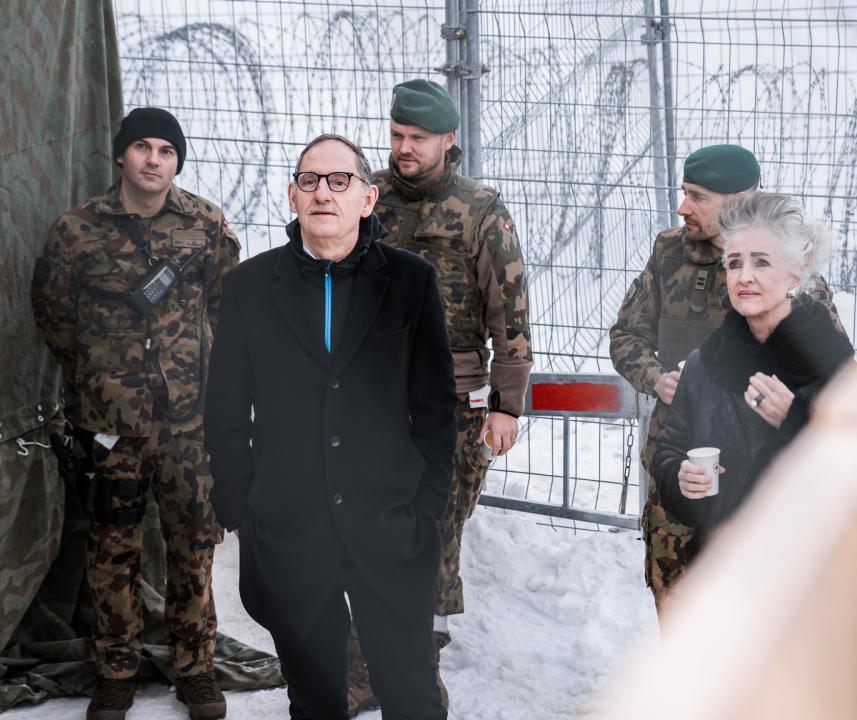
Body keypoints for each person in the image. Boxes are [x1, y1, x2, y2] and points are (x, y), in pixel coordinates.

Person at [203, 134, 457, 720]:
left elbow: (436, 408)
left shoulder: (411, 282)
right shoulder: (248, 287)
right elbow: (225, 409)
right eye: (310, 180)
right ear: (292, 196)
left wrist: (426, 509)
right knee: (315, 700)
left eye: (339, 181)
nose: (323, 192)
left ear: (367, 199)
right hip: (289, 533)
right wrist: (242, 510)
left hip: (391, 528)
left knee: (412, 696)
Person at [31, 107, 239, 720]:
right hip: (109, 424)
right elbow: (52, 313)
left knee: (192, 543)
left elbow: (227, 306)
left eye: (167, 151)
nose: (154, 160)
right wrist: (99, 373)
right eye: (143, 147)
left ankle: (195, 669)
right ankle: (116, 672)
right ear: (121, 155)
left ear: (177, 162)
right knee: (111, 548)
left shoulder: (204, 225)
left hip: (188, 424)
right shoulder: (76, 230)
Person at [342, 78, 533, 712]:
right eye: (397, 135)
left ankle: (415, 670)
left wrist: (506, 405)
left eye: (418, 138)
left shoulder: (480, 210)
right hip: (370, 397)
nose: (404, 148)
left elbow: (511, 314)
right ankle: (363, 665)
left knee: (433, 534)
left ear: (449, 139)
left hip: (451, 403)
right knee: (364, 528)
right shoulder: (366, 196)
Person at [609, 145, 844, 610]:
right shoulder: (670, 253)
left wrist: (793, 412)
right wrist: (657, 378)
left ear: (738, 201)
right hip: (682, 470)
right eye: (683, 192)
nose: (683, 207)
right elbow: (626, 335)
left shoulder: (795, 277)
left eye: (698, 197)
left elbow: (836, 387)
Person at [652, 192, 854, 559]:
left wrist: (796, 420)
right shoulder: (704, 364)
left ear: (794, 275)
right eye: (734, 264)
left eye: (761, 262)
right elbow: (670, 449)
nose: (744, 277)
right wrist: (681, 478)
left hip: (811, 571)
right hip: (723, 566)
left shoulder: (836, 369)